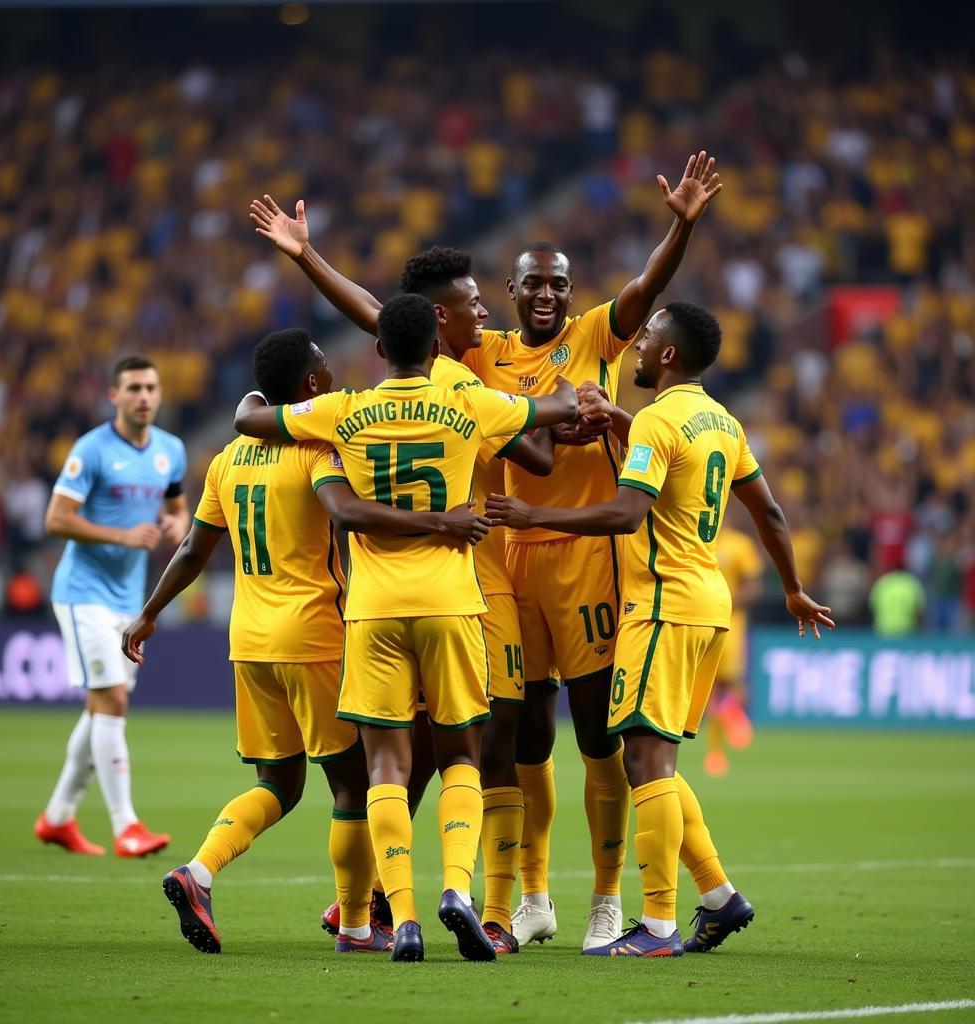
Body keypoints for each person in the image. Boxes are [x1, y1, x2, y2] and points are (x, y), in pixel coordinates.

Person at [248, 149, 721, 949]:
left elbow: (647, 287)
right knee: (510, 732)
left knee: (597, 736)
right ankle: (523, 897)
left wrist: (679, 227)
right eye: (532, 282)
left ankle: (607, 898)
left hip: (582, 562)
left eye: (558, 284)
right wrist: (308, 258)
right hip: (495, 557)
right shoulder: (479, 353)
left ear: (570, 293)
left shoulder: (595, 337)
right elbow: (386, 317)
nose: (546, 294)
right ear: (510, 293)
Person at [121, 328, 489, 955]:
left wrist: (150, 612)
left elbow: (192, 549)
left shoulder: (228, 458)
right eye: (324, 369)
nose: (333, 376)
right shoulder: (318, 447)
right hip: (313, 634)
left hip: (249, 639)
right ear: (310, 386)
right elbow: (345, 512)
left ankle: (200, 871)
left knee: (280, 783)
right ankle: (353, 925)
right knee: (353, 785)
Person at [233, 294, 578, 962]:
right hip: (452, 603)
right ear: (435, 347)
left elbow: (250, 418)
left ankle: (408, 917)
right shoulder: (470, 403)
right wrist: (568, 391)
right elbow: (553, 414)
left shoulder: (345, 410)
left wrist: (260, 398)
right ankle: (456, 888)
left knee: (386, 764)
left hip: (373, 610)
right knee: (460, 758)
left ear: (380, 351)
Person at [486, 302, 834, 957]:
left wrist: (533, 514)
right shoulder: (722, 422)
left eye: (646, 340)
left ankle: (658, 926)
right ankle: (719, 896)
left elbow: (624, 512)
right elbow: (771, 509)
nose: (637, 348)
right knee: (659, 765)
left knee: (645, 760)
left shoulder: (655, 419)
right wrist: (791, 587)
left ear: (668, 355)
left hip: (664, 604)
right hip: (709, 605)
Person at [35, 356, 188, 857]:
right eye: (134, 388)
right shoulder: (91, 450)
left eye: (151, 387)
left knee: (100, 705)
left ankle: (58, 817)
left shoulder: (171, 451)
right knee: (113, 701)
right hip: (83, 594)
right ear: (114, 396)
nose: (144, 396)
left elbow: (176, 506)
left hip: (129, 599)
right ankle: (127, 825)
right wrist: (121, 535)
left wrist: (173, 523)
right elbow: (56, 518)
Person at [705, 522, 763, 776]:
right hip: (702, 623)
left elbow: (753, 586)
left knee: (734, 683)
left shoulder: (739, 544)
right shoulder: (696, 538)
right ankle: (716, 754)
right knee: (709, 690)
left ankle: (731, 712)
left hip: (731, 623)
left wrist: (726, 602)